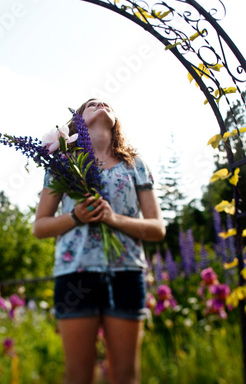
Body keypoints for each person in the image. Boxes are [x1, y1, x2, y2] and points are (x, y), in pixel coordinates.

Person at [33, 99, 165, 384]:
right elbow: (40, 227)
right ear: (77, 122)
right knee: (79, 376)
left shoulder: (135, 164)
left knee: (125, 376)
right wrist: (76, 217)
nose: (100, 102)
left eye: (105, 103)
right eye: (90, 104)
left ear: (115, 120)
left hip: (127, 274)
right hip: (76, 277)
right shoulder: (62, 164)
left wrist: (113, 219)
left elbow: (157, 229)